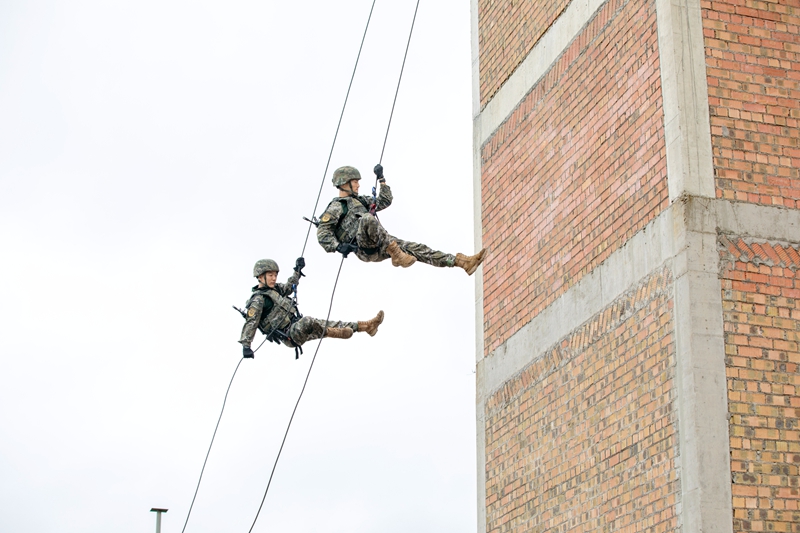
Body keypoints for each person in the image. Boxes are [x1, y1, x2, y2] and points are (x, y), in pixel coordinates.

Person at [316, 165, 486, 274]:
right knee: (367, 219)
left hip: (382, 244)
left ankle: (461, 262)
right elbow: (323, 232)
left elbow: (384, 201)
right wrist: (338, 246)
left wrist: (382, 180)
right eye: (355, 182)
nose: (358, 185)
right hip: (363, 247)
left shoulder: (360, 201)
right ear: (344, 183)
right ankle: (396, 255)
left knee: (416, 248)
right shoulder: (337, 206)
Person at [238, 258, 384, 358]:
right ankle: (337, 333)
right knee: (309, 321)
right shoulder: (258, 300)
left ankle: (366, 326)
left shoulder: (274, 289)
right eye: (270, 275)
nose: (274, 278)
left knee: (327, 323)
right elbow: (251, 322)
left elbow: (289, 287)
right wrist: (246, 345)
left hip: (298, 325)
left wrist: (297, 270)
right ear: (260, 276)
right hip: (290, 334)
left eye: (275, 275)